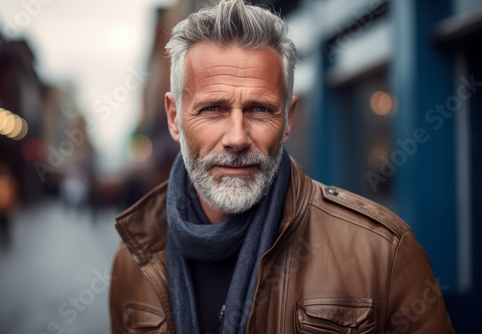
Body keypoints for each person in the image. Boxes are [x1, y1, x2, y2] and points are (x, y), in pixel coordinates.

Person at [109, 0, 455, 333]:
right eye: (213, 108)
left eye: (259, 109)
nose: (237, 137)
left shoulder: (382, 253)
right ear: (174, 118)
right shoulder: (134, 260)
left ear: (288, 118)